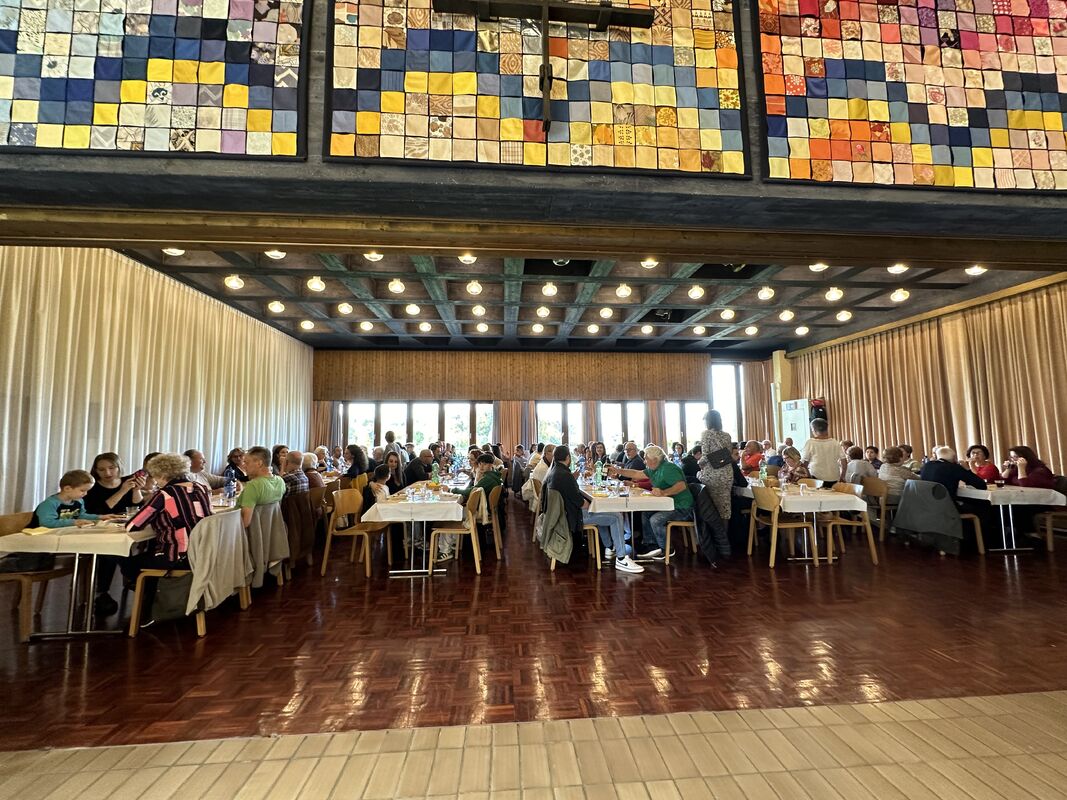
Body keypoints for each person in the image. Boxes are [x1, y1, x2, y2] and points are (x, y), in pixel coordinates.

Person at [124, 453, 213, 627]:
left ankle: (147, 604)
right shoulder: (200, 488)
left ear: (162, 475)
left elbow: (133, 526)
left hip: (178, 558)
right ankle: (153, 596)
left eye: (155, 476)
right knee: (148, 558)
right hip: (204, 553)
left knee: (128, 563)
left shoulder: (164, 495)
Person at [544, 446, 643, 574]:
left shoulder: (555, 472)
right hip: (573, 517)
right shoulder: (564, 475)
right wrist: (591, 504)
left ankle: (609, 547)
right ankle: (621, 558)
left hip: (564, 514)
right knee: (616, 516)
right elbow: (582, 504)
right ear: (568, 458)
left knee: (600, 511)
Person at [84, 453, 145, 616]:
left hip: (123, 528)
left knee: (118, 548)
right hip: (97, 531)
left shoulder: (127, 481)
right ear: (96, 471)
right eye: (102, 469)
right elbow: (100, 511)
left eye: (112, 468)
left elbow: (137, 506)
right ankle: (131, 580)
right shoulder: (91, 488)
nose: (108, 473)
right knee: (110, 551)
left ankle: (134, 580)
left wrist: (136, 490)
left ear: (119, 467)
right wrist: (123, 490)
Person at [610, 445, 694, 560]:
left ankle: (666, 549)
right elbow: (636, 474)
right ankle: (651, 545)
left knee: (655, 519)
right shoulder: (654, 469)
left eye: (646, 458)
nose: (644, 461)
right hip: (668, 504)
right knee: (646, 512)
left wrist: (664, 492)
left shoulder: (669, 468)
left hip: (682, 507)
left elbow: (681, 485)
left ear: (654, 459)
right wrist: (618, 470)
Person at [31, 469, 122, 528]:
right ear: (67, 489)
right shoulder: (50, 504)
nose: (85, 494)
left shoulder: (79, 501)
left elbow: (80, 515)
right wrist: (74, 522)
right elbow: (47, 523)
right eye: (82, 490)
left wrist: (100, 517)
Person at [697, 410, 734, 525]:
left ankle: (714, 534)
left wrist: (699, 462)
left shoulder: (706, 434)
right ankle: (724, 535)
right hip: (727, 474)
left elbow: (705, 455)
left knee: (712, 507)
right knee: (725, 507)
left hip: (713, 474)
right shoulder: (727, 435)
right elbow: (728, 453)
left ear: (708, 421)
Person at [237, 446, 286, 527]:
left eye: (246, 462)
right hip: (272, 530)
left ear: (259, 463)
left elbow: (244, 523)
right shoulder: (280, 481)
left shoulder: (253, 486)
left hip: (252, 531)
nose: (244, 466)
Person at [920, 446, 986, 499]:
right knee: (984, 504)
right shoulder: (954, 467)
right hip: (948, 504)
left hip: (928, 504)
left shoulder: (926, 465)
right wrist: (967, 469)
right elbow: (981, 485)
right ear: (954, 458)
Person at [801, 418, 841, 486]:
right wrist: (842, 476)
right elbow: (843, 460)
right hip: (834, 478)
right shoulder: (835, 442)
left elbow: (805, 462)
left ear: (813, 429)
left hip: (816, 478)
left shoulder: (810, 442)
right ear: (827, 429)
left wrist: (808, 475)